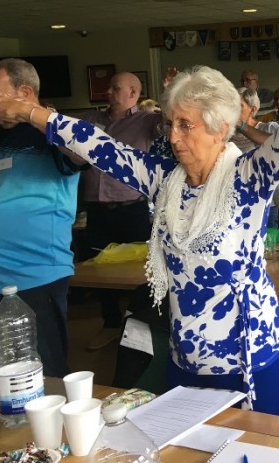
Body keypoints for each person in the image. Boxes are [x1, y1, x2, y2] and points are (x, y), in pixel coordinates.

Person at [0, 65, 279, 414]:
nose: (173, 137)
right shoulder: (163, 179)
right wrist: (31, 112)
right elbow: (99, 146)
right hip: (186, 362)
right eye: (170, 124)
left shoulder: (247, 177)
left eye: (185, 125)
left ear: (220, 128)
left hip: (252, 364)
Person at [0, 58, 83, 377]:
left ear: (24, 93)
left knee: (45, 376)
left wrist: (35, 115)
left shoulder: (54, 135)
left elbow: (85, 149)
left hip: (33, 280)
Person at [79, 71, 161, 351]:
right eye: (109, 88)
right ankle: (111, 323)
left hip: (131, 210)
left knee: (141, 271)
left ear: (133, 93)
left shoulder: (147, 121)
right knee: (98, 269)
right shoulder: (91, 119)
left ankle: (141, 326)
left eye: (116, 88)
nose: (109, 93)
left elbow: (170, 123)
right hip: (97, 211)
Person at [231, 87, 279, 229]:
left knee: (267, 240)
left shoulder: (269, 128)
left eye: (238, 106)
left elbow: (278, 145)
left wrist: (241, 125)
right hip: (235, 201)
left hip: (266, 201)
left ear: (252, 110)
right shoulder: (226, 135)